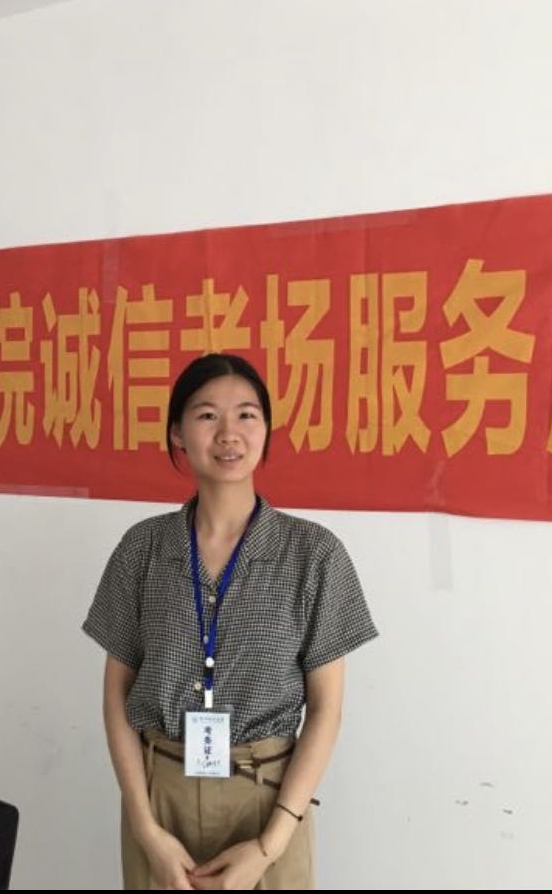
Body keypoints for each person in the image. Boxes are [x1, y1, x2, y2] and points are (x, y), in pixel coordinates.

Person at [83, 352, 378, 889]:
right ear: (177, 432)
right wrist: (146, 828)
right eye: (206, 415)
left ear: (266, 429)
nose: (228, 434)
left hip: (267, 801)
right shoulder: (142, 549)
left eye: (246, 415)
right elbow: (115, 699)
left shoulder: (314, 555)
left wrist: (269, 847)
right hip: (160, 797)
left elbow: (326, 710)